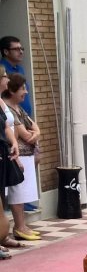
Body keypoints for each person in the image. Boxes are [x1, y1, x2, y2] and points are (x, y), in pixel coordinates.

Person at [1, 36, 38, 212]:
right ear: (6, 51)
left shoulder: (20, 68)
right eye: (16, 49)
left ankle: (26, 200)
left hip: (24, 118)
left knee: (34, 159)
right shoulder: (4, 70)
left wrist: (35, 131)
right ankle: (16, 204)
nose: (21, 51)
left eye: (22, 48)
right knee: (19, 165)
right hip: (15, 122)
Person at [2, 74, 40, 241]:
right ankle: (18, 227)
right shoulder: (8, 108)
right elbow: (24, 134)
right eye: (22, 88)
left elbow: (34, 128)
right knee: (17, 193)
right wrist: (30, 135)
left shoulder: (19, 108)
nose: (25, 92)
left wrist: (36, 133)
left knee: (23, 193)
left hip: (24, 154)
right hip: (15, 155)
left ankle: (21, 226)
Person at [0, 68, 20, 259]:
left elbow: (5, 126)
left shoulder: (0, 102)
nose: (8, 80)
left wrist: (14, 142)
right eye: (5, 76)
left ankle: (2, 237)